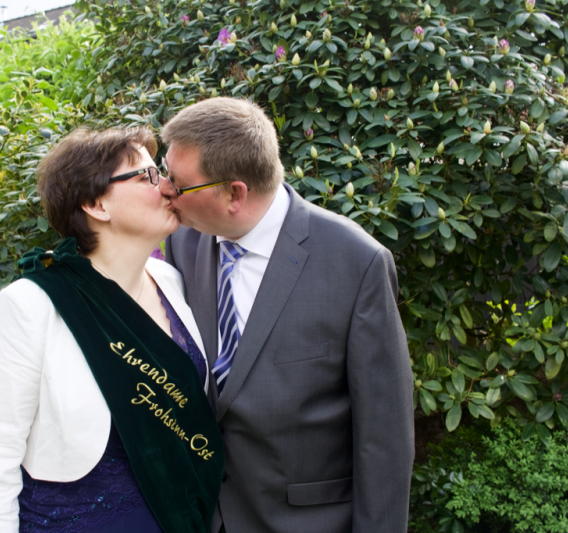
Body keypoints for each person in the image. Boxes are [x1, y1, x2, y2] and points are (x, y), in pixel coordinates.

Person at [159, 97, 414, 533]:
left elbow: (385, 437)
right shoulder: (185, 243)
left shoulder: (356, 263)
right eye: (166, 173)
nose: (165, 191)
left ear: (235, 193)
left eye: (179, 185)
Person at [0, 127, 224, 533]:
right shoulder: (31, 306)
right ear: (96, 204)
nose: (170, 187)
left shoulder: (170, 282)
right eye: (148, 176)